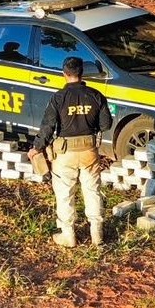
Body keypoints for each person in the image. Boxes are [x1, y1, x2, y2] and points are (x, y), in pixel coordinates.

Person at [28, 56, 113, 248]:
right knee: (92, 190)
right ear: (82, 73)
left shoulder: (58, 98)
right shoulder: (96, 95)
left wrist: (37, 147)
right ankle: (97, 234)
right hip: (89, 151)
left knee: (65, 193)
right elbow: (106, 124)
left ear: (64, 74)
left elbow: (47, 127)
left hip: (65, 153)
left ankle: (68, 235)